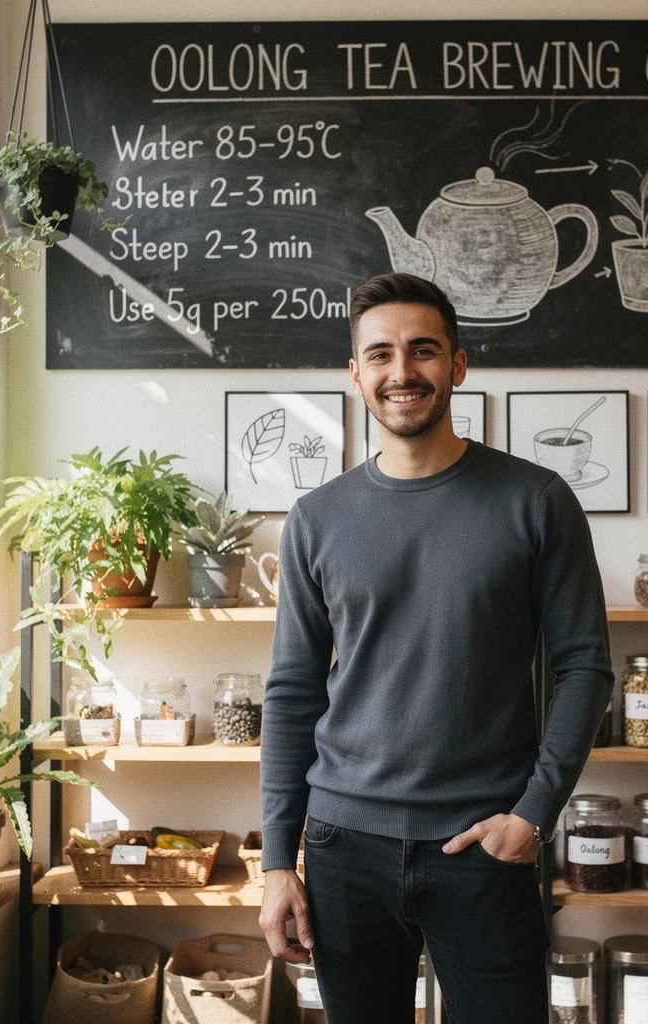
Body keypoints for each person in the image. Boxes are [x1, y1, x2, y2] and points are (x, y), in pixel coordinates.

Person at [258, 272, 613, 1024]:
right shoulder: (316, 520)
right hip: (342, 848)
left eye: (422, 350)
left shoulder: (536, 501)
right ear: (356, 374)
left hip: (485, 846)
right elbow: (292, 692)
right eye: (380, 354)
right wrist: (276, 863)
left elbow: (585, 666)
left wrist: (534, 814)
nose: (401, 371)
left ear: (457, 364)